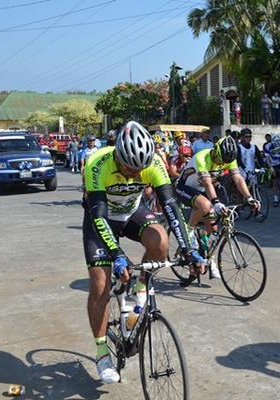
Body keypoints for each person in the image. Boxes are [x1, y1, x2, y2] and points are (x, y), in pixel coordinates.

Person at [82, 121, 205, 384]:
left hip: (131, 213)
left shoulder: (155, 163)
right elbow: (100, 216)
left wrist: (188, 249)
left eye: (141, 170)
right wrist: (116, 254)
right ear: (117, 155)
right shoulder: (97, 163)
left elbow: (170, 206)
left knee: (161, 240)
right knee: (100, 285)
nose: (137, 175)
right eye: (130, 169)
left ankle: (139, 293)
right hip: (101, 219)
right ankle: (102, 353)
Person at [175, 136, 260, 278]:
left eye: (224, 162)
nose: (221, 164)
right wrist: (216, 202)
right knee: (206, 205)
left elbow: (238, 179)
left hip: (203, 190)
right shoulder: (202, 157)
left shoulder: (229, 158)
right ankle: (188, 231)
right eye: (220, 160)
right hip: (185, 187)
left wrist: (249, 198)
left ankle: (210, 258)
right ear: (215, 151)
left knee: (213, 230)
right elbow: (207, 182)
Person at [264, 134, 280, 207]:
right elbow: (267, 158)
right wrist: (270, 167)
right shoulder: (267, 146)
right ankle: (275, 199)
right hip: (273, 164)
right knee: (275, 182)